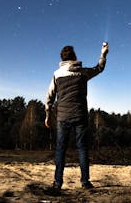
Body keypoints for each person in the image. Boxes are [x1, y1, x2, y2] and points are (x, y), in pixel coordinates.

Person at [44, 43, 109, 193]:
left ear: (62, 59)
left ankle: (57, 182)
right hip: (80, 115)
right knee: (82, 148)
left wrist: (47, 114)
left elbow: (49, 96)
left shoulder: (57, 74)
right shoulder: (82, 72)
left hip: (63, 117)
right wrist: (103, 54)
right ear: (74, 57)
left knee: (61, 149)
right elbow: (99, 68)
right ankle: (85, 181)